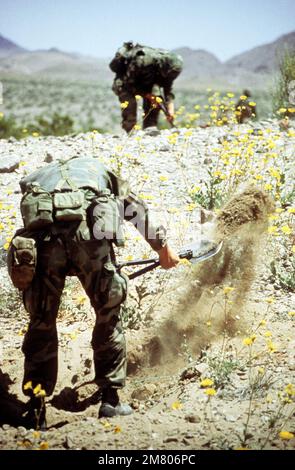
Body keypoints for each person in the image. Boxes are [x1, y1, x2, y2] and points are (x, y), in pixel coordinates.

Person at [7, 156, 179, 429]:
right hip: (91, 242)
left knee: (42, 319)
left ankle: (36, 407)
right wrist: (162, 248)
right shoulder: (100, 172)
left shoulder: (37, 178)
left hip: (47, 245)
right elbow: (132, 208)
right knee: (107, 312)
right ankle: (110, 400)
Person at [109, 41, 183, 132]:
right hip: (126, 83)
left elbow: (168, 91)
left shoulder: (167, 71)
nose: (172, 76)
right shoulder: (143, 60)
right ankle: (130, 131)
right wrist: (149, 95)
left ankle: (150, 127)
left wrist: (170, 110)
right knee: (130, 103)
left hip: (144, 84)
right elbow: (130, 82)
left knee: (157, 99)